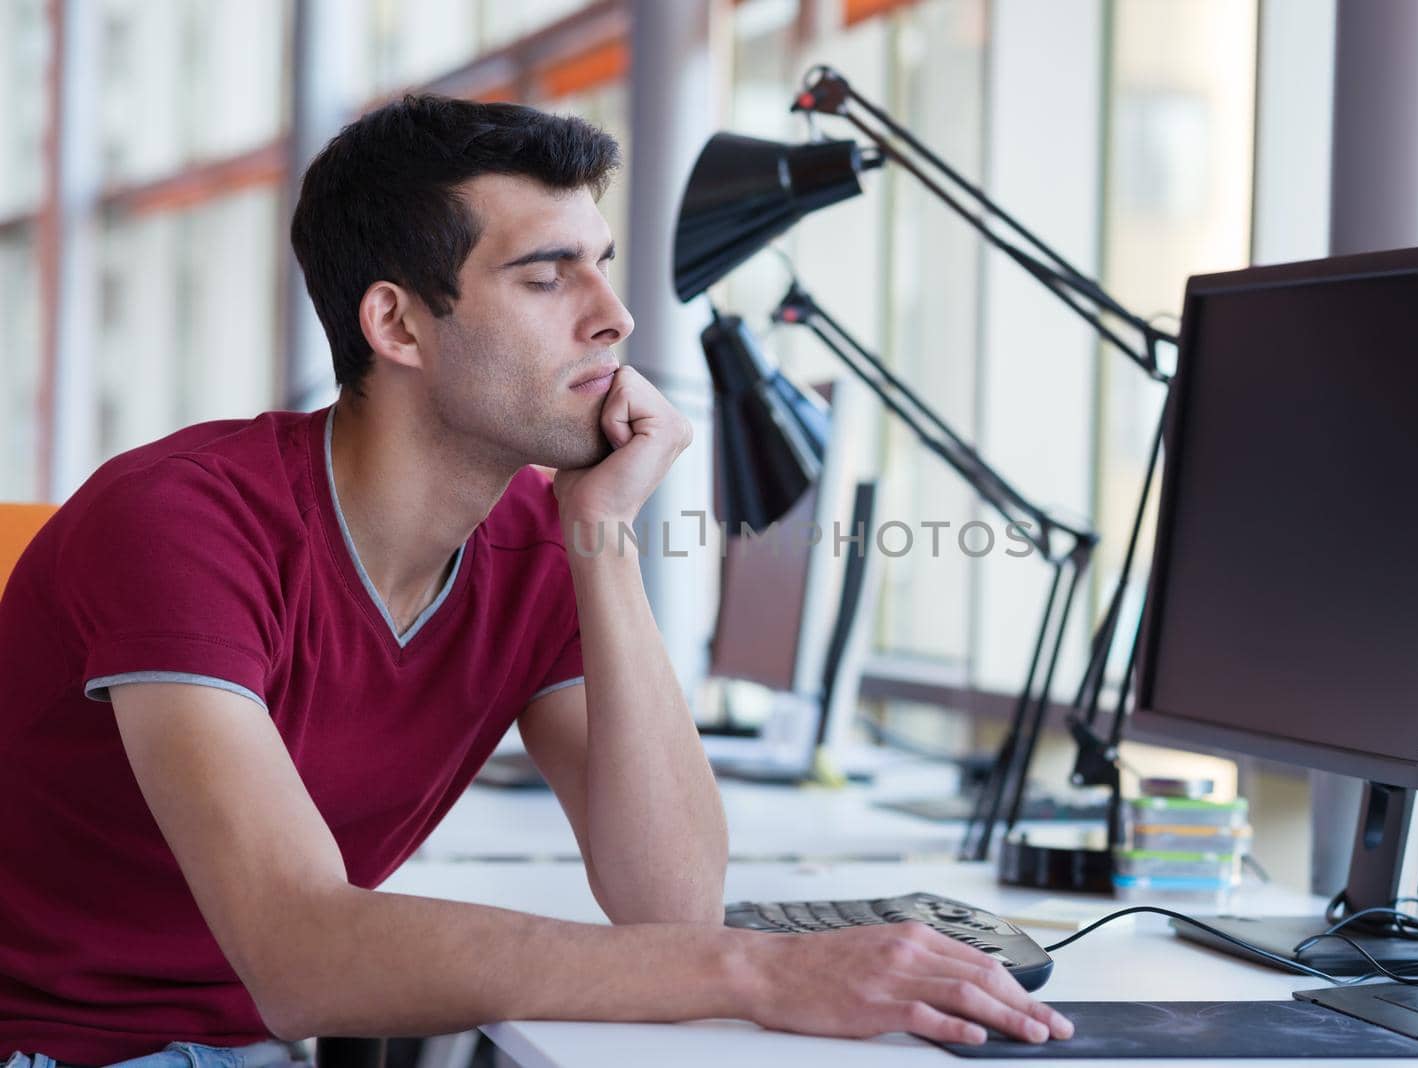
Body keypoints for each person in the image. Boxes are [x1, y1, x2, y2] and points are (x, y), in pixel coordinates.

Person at [0, 94, 1071, 1064]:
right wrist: (764, 971)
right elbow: (301, 951)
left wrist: (601, 539)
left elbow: (669, 903)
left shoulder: (535, 535)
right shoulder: (183, 522)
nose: (615, 316)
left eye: (601, 264)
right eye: (547, 275)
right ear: (397, 324)